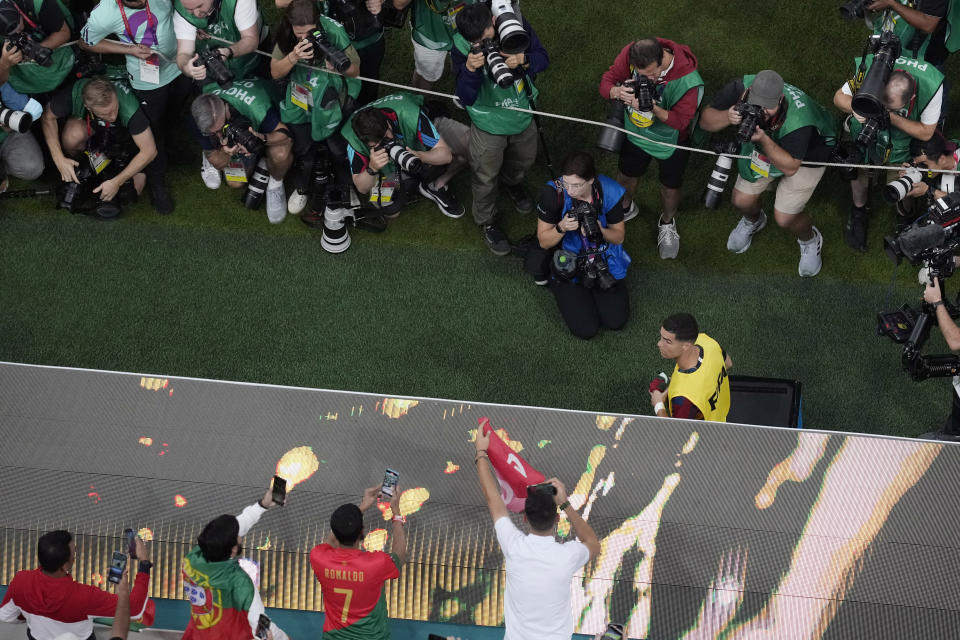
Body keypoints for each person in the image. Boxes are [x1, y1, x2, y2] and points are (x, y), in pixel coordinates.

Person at [699, 70, 836, 277]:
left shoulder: (800, 121)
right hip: (763, 146)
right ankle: (754, 220)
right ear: (749, 91)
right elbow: (705, 122)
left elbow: (790, 166)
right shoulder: (740, 88)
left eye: (768, 107)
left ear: (781, 99)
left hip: (807, 156)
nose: (761, 112)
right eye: (757, 104)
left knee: (784, 217)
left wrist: (762, 139)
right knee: (742, 200)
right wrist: (727, 116)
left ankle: (810, 240)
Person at [472, 428, 600, 640]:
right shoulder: (567, 556)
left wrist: (481, 452)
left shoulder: (514, 547)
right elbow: (592, 542)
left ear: (524, 518)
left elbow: (492, 498)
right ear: (557, 519)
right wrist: (566, 504)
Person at [452, 2, 549, 255]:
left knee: (525, 160)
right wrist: (470, 69)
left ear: (493, 23)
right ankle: (487, 221)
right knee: (485, 176)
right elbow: (465, 97)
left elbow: (543, 58)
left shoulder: (514, 28)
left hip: (522, 116)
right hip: (487, 125)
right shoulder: (461, 48)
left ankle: (512, 184)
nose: (483, 46)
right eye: (476, 42)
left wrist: (524, 60)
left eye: (485, 38)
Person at [80, 0, 194, 213]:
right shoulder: (104, 12)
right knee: (154, 126)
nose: (143, 2)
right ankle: (157, 182)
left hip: (179, 64)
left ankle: (170, 148)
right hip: (147, 79)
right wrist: (129, 49)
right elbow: (86, 42)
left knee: (174, 111)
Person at [598, 37, 703, 259]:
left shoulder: (689, 80)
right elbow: (607, 81)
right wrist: (618, 93)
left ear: (663, 56)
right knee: (625, 176)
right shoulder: (630, 54)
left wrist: (652, 108)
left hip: (671, 141)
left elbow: (682, 122)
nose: (648, 80)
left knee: (670, 188)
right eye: (642, 75)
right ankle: (625, 208)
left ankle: (667, 223)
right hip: (635, 133)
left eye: (652, 74)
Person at [834, 55, 943, 250]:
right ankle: (859, 211)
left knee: (902, 183)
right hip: (865, 136)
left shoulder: (932, 87)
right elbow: (838, 97)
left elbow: (926, 132)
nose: (882, 107)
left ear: (911, 100)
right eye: (881, 100)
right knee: (856, 169)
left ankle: (905, 218)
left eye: (890, 104)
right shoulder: (872, 70)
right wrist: (856, 108)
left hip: (901, 145)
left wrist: (888, 117)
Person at [271, 0, 360, 223]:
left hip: (331, 97)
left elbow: (356, 70)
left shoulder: (334, 31)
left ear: (319, 23)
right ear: (291, 26)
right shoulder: (285, 33)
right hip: (300, 96)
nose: (305, 37)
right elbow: (275, 72)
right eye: (300, 33)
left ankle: (345, 186)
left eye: (311, 31)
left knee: (339, 149)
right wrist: (293, 57)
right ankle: (302, 187)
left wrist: (338, 67)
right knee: (303, 146)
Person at [533, 151, 630, 340]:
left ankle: (590, 287)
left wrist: (601, 231)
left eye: (577, 185)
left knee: (616, 321)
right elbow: (543, 241)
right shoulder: (553, 194)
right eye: (566, 182)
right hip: (570, 260)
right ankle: (559, 282)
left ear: (591, 180)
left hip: (602, 257)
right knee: (586, 329)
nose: (570, 190)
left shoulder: (610, 191)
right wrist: (561, 228)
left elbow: (618, 237)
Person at [182, 482, 290, 640]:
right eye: (238, 535)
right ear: (233, 549)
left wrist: (262, 505)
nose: (241, 533)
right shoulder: (239, 582)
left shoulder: (192, 559)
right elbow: (261, 624)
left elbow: (235, 527)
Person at [0, 529, 154, 639]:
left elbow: (5, 616)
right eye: (74, 554)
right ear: (65, 566)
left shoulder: (20, 581)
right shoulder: (86, 597)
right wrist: (144, 564)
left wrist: (33, 614)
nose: (75, 556)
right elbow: (134, 610)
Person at [42, 76, 158, 216]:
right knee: (72, 138)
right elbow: (48, 117)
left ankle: (116, 170)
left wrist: (117, 182)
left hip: (126, 137)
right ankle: (87, 167)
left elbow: (150, 151)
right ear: (88, 107)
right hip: (92, 128)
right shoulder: (75, 93)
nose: (113, 116)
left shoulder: (129, 107)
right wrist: (58, 158)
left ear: (115, 94)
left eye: (114, 109)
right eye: (106, 113)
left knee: (135, 189)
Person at [340, 91, 466, 218]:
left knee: (469, 149)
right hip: (390, 170)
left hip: (420, 139)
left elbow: (446, 155)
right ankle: (412, 180)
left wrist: (421, 156)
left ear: (388, 124)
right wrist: (372, 168)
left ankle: (436, 185)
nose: (385, 145)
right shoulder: (354, 139)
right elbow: (362, 188)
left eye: (385, 138)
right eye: (376, 145)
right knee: (389, 210)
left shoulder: (408, 113)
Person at [309, 484, 407, 639]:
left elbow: (331, 540)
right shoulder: (376, 564)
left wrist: (359, 510)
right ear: (362, 532)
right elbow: (400, 556)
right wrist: (396, 513)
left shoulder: (318, 557)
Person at [190, 79, 293, 223]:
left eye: (221, 129)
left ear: (226, 109)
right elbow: (217, 161)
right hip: (241, 140)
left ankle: (275, 182)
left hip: (263, 117)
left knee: (280, 154)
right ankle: (262, 164)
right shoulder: (201, 117)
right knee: (235, 182)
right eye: (212, 133)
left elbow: (286, 136)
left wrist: (261, 138)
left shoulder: (256, 108)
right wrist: (227, 152)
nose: (219, 135)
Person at [649, 312, 732, 422]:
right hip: (722, 413)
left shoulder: (683, 400)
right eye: (661, 337)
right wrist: (674, 384)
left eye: (667, 341)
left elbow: (676, 434)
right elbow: (728, 363)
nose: (659, 344)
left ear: (686, 346)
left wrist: (658, 405)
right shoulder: (707, 342)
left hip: (706, 432)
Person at [0, 0, 76, 96]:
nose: (18, 33)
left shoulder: (39, 4)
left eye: (19, 27)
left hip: (60, 60)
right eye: (12, 34)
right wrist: (4, 63)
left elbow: (64, 33)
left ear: (17, 10)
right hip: (25, 81)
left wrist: (38, 49)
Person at [400, 0, 477, 91]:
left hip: (469, 27)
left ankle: (461, 87)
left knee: (463, 67)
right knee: (426, 74)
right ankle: (419, 101)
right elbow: (399, 4)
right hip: (430, 31)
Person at [864, 0, 947, 61]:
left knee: (927, 80)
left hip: (926, 47)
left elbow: (928, 24)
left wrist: (891, 3)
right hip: (896, 34)